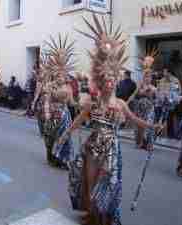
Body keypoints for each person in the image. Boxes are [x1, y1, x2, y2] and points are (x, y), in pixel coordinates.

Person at [58, 15, 162, 225]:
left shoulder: (121, 104)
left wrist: (153, 126)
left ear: (115, 82)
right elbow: (78, 120)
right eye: (106, 79)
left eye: (113, 79)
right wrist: (65, 134)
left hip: (111, 148)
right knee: (90, 180)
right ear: (101, 81)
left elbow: (134, 121)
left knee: (107, 181)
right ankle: (91, 214)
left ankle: (103, 215)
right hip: (92, 146)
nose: (110, 82)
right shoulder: (92, 103)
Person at [38, 34, 77, 169]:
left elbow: (72, 103)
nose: (61, 77)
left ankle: (63, 159)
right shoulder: (50, 86)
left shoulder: (68, 87)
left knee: (65, 138)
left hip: (64, 116)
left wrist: (85, 106)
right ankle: (52, 157)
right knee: (50, 138)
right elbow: (47, 101)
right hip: (53, 115)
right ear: (55, 74)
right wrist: (47, 114)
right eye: (59, 75)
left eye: (63, 75)